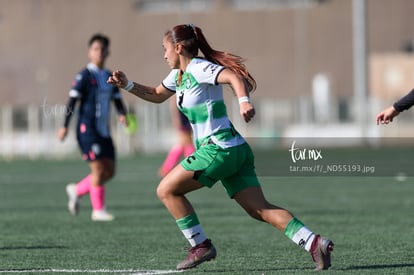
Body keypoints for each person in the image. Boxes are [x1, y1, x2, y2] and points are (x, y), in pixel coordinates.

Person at [107, 24, 333, 270]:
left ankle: (201, 245)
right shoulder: (178, 75)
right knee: (260, 210)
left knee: (166, 190)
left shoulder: (199, 68)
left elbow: (232, 76)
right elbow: (158, 94)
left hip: (218, 149)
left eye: (165, 49)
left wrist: (244, 102)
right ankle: (314, 243)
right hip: (234, 149)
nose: (164, 55)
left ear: (179, 47)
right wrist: (128, 85)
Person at [57, 33, 128, 222]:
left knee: (109, 171)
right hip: (87, 130)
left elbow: (117, 99)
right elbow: (72, 101)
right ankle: (98, 210)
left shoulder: (108, 76)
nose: (100, 52)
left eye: (103, 49)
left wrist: (122, 114)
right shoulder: (84, 76)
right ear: (90, 52)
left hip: (104, 131)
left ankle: (77, 190)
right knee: (98, 170)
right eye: (96, 49)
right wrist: (64, 126)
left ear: (108, 52)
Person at [158, 98, 195, 177]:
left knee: (183, 143)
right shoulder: (178, 88)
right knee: (187, 141)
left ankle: (167, 168)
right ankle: (192, 166)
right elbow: (174, 102)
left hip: (188, 113)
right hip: (183, 116)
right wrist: (176, 119)